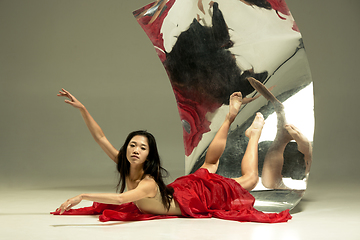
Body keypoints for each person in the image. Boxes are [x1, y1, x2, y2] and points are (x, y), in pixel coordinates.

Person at [53, 88, 291, 223]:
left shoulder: (146, 183)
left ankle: (253, 134)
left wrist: (82, 195)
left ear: (149, 156)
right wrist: (83, 109)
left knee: (248, 179)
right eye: (133, 145)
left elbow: (120, 200)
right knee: (209, 163)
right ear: (126, 149)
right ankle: (231, 118)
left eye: (142, 148)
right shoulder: (124, 164)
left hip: (193, 198)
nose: (135, 150)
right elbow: (101, 138)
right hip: (180, 189)